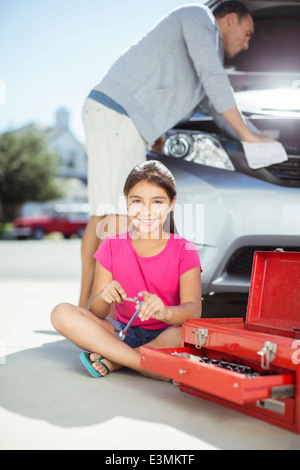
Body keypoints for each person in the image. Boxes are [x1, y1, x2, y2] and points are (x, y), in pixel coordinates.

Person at [79, 1, 274, 308]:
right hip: (118, 115)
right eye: (247, 33)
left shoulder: (206, 54)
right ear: (231, 19)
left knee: (104, 214)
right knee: (116, 215)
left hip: (116, 116)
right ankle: (100, 312)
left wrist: (256, 137)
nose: (246, 43)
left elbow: (220, 111)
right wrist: (249, 134)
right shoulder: (199, 17)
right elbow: (213, 76)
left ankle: (87, 308)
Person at [51, 161, 202, 380]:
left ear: (171, 203)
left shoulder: (184, 248)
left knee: (185, 335)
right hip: (121, 333)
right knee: (61, 313)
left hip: (165, 336)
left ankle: (116, 360)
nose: (146, 210)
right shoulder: (111, 245)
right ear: (126, 203)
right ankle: (143, 364)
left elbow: (193, 310)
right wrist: (104, 297)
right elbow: (96, 311)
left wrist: (165, 312)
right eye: (137, 201)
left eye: (157, 201)